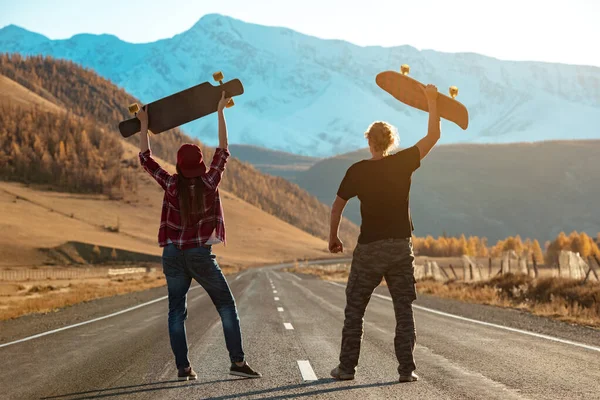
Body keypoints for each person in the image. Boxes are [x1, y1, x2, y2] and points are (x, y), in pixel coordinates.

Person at [136, 92, 262, 381]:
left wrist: (143, 124)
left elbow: (146, 159)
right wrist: (220, 111)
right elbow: (223, 149)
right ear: (201, 165)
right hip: (200, 256)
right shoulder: (209, 182)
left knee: (176, 312)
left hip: (172, 255)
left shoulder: (170, 184)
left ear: (179, 166)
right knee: (226, 306)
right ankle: (237, 362)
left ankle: (183, 368)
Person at [328, 84, 441, 383]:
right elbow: (433, 136)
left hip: (369, 249)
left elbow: (337, 207)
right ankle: (407, 371)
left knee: (355, 309)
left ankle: (347, 369)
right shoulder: (403, 162)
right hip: (400, 248)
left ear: (369, 141)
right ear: (392, 142)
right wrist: (432, 102)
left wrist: (334, 238)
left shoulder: (357, 171)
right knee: (403, 310)